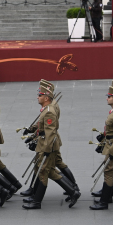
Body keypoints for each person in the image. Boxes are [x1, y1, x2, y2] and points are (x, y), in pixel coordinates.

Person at [22, 81, 80, 210]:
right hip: (45, 143)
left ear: (46, 98)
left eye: (40, 95)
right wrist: (31, 130)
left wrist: (47, 150)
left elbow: (50, 132)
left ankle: (37, 202)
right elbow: (41, 124)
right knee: (48, 171)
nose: (38, 96)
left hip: (47, 145)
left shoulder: (49, 111)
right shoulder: (46, 109)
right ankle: (72, 191)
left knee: (43, 171)